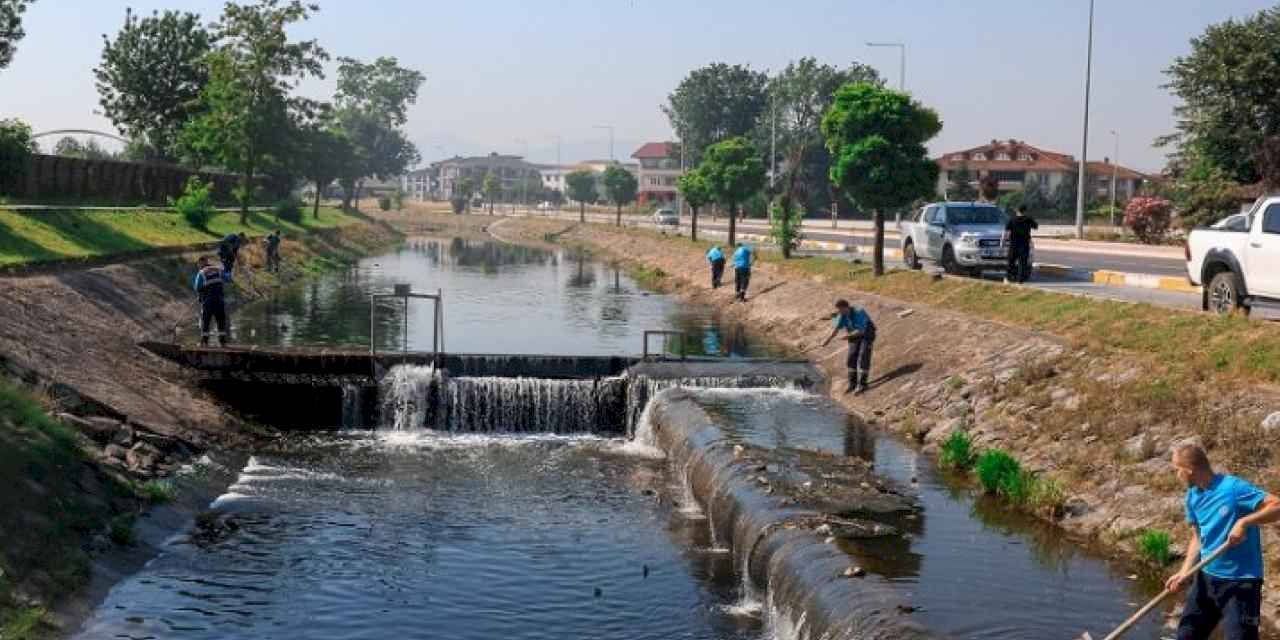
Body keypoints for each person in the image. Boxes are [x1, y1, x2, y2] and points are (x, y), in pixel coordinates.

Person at [1165, 443, 1279, 640]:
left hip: (1240, 583)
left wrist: (1244, 522)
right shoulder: (1192, 496)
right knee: (1186, 635)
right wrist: (1184, 572)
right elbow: (1198, 538)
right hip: (1206, 578)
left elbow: (1276, 506)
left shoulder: (1233, 488)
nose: (1176, 476)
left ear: (1189, 470)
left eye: (1176, 470)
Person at [821, 299, 877, 394]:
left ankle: (863, 384)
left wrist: (847, 336)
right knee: (851, 357)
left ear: (846, 307)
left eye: (841, 310)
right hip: (853, 335)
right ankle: (852, 384)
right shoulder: (842, 315)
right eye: (838, 310)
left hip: (866, 334)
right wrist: (827, 340)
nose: (839, 312)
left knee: (864, 356)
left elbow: (861, 329)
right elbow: (836, 328)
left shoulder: (859, 312)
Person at [194, 256, 233, 346]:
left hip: (208, 302)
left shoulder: (201, 273)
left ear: (200, 264)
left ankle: (204, 343)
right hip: (220, 301)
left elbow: (196, 287)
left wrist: (201, 293)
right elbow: (228, 279)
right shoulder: (218, 270)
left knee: (206, 322)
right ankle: (223, 343)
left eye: (198, 264)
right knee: (221, 322)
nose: (198, 266)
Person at [1003, 204, 1038, 283]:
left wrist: (1003, 242)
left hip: (1014, 244)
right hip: (1024, 244)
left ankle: (1008, 278)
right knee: (1023, 263)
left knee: (1011, 262)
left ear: (1017, 211)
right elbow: (1036, 227)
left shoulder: (1012, 219)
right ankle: (1020, 280)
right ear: (1025, 211)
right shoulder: (1029, 219)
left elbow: (1006, 232)